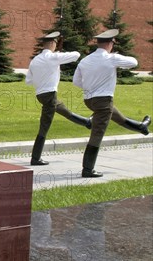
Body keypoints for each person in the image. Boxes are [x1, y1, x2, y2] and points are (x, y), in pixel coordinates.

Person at [73, 29, 150, 178]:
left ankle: (142, 127)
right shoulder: (111, 58)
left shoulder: (85, 60)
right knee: (97, 134)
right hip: (103, 100)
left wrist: (90, 87)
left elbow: (76, 81)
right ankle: (87, 169)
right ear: (110, 43)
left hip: (90, 100)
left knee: (119, 118)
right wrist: (116, 56)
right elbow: (134, 62)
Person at [26, 31, 92, 165]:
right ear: (51, 44)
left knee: (63, 110)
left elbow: (28, 80)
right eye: (55, 43)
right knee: (44, 126)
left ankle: (86, 122)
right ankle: (35, 158)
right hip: (50, 94)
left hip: (40, 95)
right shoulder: (53, 57)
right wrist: (58, 57)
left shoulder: (35, 60)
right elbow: (76, 55)